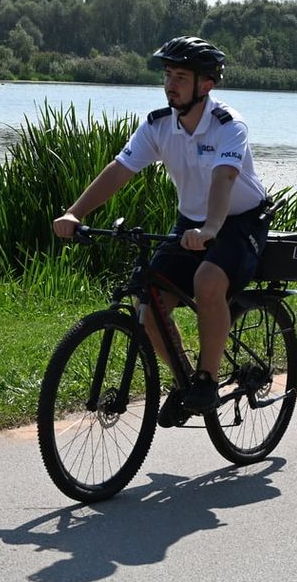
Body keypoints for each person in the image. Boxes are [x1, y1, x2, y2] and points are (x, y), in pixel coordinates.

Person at [53, 36, 270, 426]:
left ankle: (207, 378)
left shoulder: (228, 126)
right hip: (191, 223)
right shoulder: (158, 125)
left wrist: (211, 229)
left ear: (206, 84)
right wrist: (74, 213)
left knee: (207, 281)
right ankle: (186, 381)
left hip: (239, 221)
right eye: (168, 75)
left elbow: (224, 179)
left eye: (181, 76)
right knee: (147, 303)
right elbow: (120, 170)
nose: (170, 84)